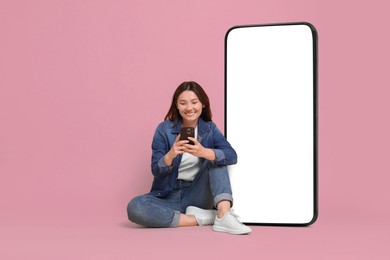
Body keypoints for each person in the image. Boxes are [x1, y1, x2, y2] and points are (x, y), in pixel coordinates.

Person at [127, 81, 251, 235]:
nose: (189, 108)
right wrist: (171, 154)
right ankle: (205, 218)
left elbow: (232, 156)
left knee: (216, 158)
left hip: (197, 193)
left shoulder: (210, 129)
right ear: (177, 106)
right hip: (168, 195)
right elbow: (156, 170)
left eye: (194, 102)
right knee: (135, 207)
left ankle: (223, 214)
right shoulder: (164, 130)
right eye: (183, 103)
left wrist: (203, 152)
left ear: (203, 104)